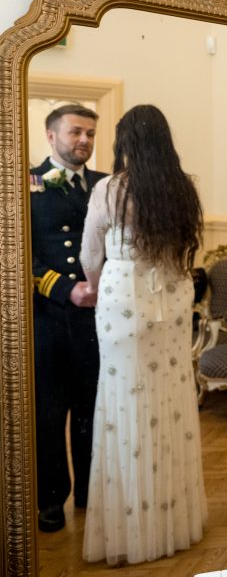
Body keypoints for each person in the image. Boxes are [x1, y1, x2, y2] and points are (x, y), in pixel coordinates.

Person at [80, 104, 207, 565]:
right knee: (168, 400)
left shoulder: (109, 188)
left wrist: (94, 287)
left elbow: (91, 255)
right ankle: (174, 521)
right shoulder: (182, 187)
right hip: (171, 298)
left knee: (124, 402)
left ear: (125, 142)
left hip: (124, 299)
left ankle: (132, 527)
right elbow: (188, 250)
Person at [30, 104, 106, 532]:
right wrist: (65, 289)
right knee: (50, 412)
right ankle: (51, 499)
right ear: (51, 135)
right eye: (76, 132)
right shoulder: (28, 183)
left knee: (91, 410)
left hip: (97, 319)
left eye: (91, 134)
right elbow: (23, 258)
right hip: (51, 319)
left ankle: (91, 495)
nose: (84, 140)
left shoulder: (104, 183)